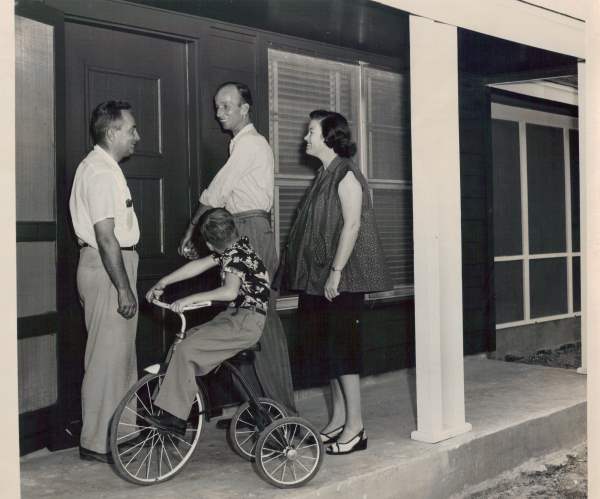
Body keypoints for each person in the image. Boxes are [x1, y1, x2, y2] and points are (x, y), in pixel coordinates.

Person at [178, 81, 296, 415]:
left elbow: (216, 193)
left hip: (251, 229)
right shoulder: (240, 146)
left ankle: (283, 414)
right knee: (241, 321)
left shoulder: (251, 145)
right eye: (217, 107)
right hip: (239, 228)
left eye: (227, 106)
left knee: (262, 323)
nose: (219, 114)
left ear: (246, 108)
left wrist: (191, 228)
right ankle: (258, 409)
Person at [284, 110, 392, 455]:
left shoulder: (346, 174)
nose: (306, 138)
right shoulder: (324, 174)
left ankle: (356, 428)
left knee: (343, 351)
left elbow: (352, 226)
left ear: (330, 137)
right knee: (329, 350)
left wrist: (336, 272)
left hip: (342, 280)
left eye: (311, 132)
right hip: (320, 279)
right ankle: (339, 421)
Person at [145, 208, 269, 434]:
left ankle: (176, 418)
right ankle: (169, 406)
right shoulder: (232, 248)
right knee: (185, 341)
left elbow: (229, 292)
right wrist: (163, 282)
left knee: (186, 350)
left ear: (211, 244)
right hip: (234, 318)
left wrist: (188, 299)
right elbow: (198, 266)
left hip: (246, 322)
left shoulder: (238, 256)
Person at [69, 100, 141, 463]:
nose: (136, 137)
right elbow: (106, 236)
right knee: (104, 359)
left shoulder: (106, 168)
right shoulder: (98, 171)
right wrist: (123, 287)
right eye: (131, 130)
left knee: (120, 359)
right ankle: (97, 442)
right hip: (108, 266)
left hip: (115, 264)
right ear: (112, 132)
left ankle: (119, 435)